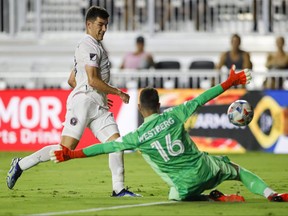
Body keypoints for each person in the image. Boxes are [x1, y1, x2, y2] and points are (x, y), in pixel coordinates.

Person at [50, 65, 288, 202]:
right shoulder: (175, 114)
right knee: (238, 171)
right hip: (206, 168)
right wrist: (230, 82)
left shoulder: (138, 137)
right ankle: (271, 194)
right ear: (160, 105)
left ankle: (208, 198)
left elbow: (104, 148)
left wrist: (73, 154)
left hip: (183, 186)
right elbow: (204, 97)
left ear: (140, 108)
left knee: (174, 196)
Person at [6, 6, 140, 197]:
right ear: (89, 24)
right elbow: (92, 80)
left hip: (97, 105)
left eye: (106, 25)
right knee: (65, 150)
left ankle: (119, 189)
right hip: (84, 104)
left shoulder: (94, 46)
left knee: (116, 144)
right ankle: (20, 164)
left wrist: (98, 95)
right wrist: (117, 93)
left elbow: (72, 79)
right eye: (100, 25)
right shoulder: (89, 45)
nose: (104, 29)